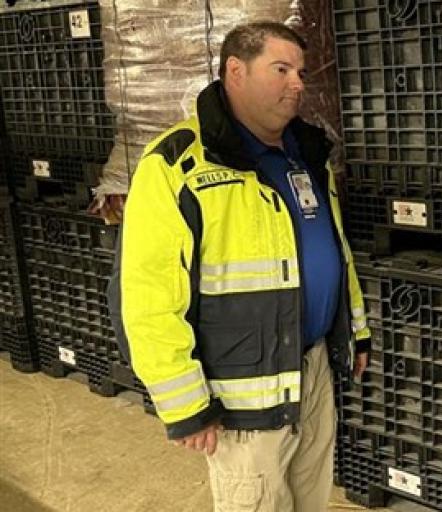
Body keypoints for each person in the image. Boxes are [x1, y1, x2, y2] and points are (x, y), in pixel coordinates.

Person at [108, 22, 371, 511]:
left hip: (311, 370)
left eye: (301, 72)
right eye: (281, 69)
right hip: (242, 399)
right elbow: (144, 295)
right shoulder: (176, 164)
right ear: (235, 71)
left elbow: (335, 254)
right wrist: (185, 405)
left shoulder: (306, 156)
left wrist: (355, 332)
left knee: (310, 499)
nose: (298, 83)